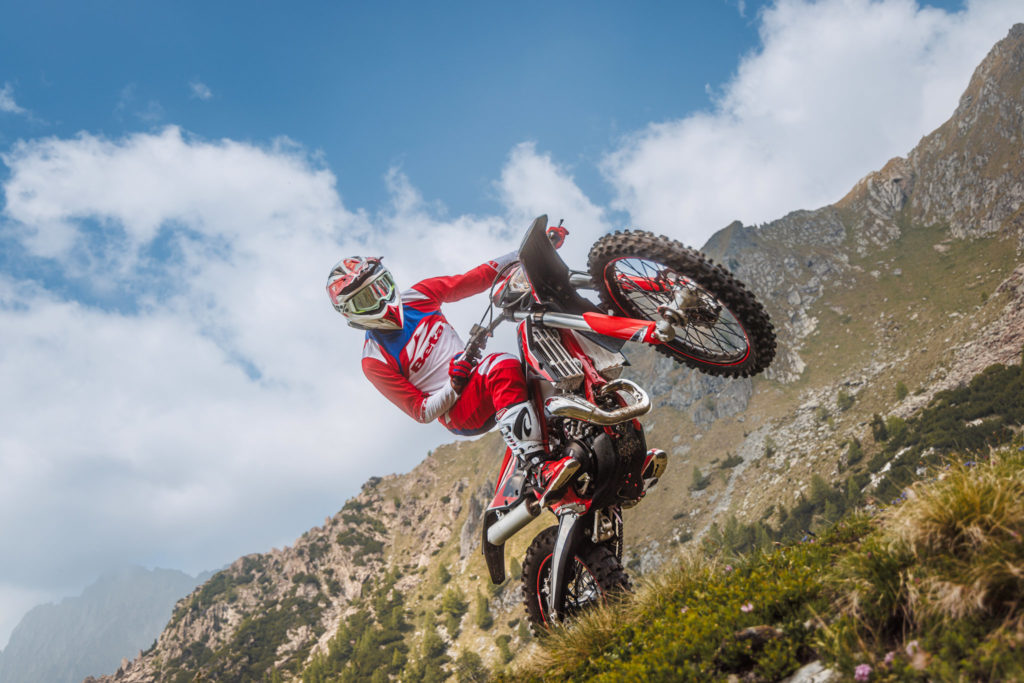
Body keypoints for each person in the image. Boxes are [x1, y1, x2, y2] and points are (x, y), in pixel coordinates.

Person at [326, 243, 564, 470]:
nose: (380, 299)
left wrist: (530, 252)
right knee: (502, 365)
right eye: (366, 299)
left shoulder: (419, 295)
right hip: (457, 412)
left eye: (381, 287)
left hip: (479, 381)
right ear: (350, 313)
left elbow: (477, 277)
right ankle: (536, 463)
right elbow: (421, 412)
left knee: (534, 366)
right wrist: (454, 386)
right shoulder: (374, 360)